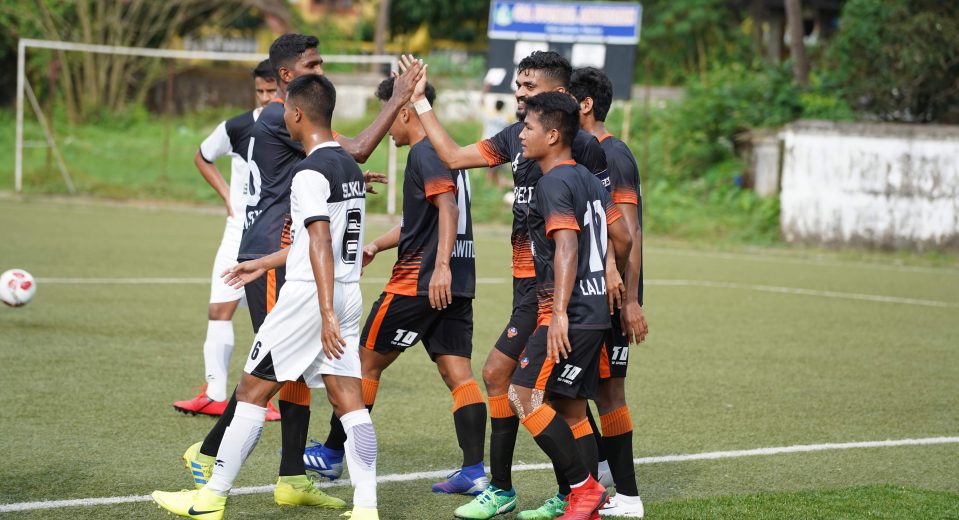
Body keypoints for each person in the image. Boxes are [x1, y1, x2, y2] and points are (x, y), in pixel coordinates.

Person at [179, 34, 424, 507]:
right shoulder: (278, 113)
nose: (321, 69)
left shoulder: (304, 136)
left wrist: (345, 179)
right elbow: (355, 147)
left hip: (302, 261)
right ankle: (215, 458)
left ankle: (277, 477)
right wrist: (396, 99)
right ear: (287, 80)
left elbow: (345, 156)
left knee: (277, 374)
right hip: (283, 252)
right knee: (267, 375)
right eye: (312, 64)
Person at [152, 73, 380, 520]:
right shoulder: (348, 168)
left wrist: (324, 310)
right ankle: (367, 508)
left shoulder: (308, 171)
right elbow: (324, 241)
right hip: (347, 291)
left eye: (284, 110)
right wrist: (266, 263)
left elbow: (317, 241)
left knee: (251, 391)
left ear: (296, 114)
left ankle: (210, 499)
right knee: (348, 401)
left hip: (311, 300)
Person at [394, 51, 609, 519]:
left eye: (528, 87)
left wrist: (609, 273)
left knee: (538, 393)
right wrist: (421, 103)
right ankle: (518, 490)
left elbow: (601, 219)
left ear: (557, 98)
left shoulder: (581, 150)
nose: (518, 93)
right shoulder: (516, 136)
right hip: (526, 285)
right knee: (503, 379)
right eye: (518, 84)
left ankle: (574, 491)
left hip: (557, 291)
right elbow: (452, 156)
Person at [305, 76, 488, 495]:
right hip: (457, 283)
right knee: (458, 374)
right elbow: (419, 220)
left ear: (405, 111)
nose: (386, 127)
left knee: (363, 364)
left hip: (419, 283)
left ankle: (333, 454)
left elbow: (447, 208)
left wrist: (438, 266)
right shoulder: (447, 151)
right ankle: (475, 470)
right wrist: (377, 244)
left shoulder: (425, 154)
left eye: (389, 117)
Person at [510, 91, 632, 520]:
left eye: (528, 127)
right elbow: (624, 238)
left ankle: (583, 488)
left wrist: (559, 312)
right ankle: (589, 501)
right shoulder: (588, 180)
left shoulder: (553, 182)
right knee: (571, 408)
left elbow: (565, 247)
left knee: (521, 395)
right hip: (594, 309)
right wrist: (607, 273)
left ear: (554, 134)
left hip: (568, 313)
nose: (521, 134)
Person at [173, 59, 281, 420]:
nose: (265, 98)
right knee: (219, 309)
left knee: (271, 319)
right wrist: (227, 197)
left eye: (272, 91)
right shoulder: (237, 126)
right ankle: (216, 393)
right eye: (260, 91)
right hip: (237, 230)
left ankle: (263, 397)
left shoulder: (289, 128)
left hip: (271, 235)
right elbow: (203, 156)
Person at [569, 67, 649, 518]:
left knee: (609, 393)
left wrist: (631, 299)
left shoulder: (612, 154)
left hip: (612, 298)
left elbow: (628, 234)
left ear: (585, 105)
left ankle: (629, 497)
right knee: (578, 392)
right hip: (588, 294)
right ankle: (599, 472)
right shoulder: (582, 154)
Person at [482, 99, 510, 187]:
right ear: (503, 107)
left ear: (495, 106)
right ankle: (495, 188)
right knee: (496, 169)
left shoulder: (489, 115)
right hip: (498, 145)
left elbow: (482, 103)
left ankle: (488, 187)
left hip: (486, 144)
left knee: (491, 169)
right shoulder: (505, 119)